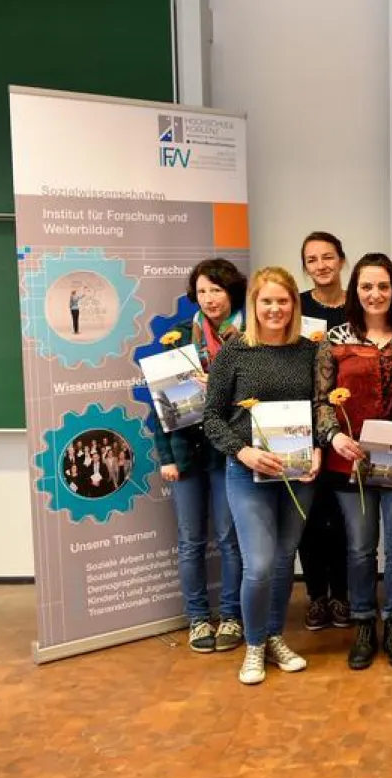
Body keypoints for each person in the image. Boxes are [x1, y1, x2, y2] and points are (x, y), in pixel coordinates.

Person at [315, 253, 392, 671]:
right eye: (367, 286)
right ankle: (364, 623)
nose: (375, 294)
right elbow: (322, 401)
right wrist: (334, 436)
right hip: (351, 465)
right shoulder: (336, 338)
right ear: (355, 291)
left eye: (383, 286)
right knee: (361, 550)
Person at [203, 266, 323, 686]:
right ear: (254, 305)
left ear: (294, 305)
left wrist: (320, 450)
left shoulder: (310, 351)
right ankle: (253, 645)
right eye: (266, 301)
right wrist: (245, 452)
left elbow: (320, 410)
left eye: (283, 300)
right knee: (259, 564)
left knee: (285, 559)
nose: (275, 308)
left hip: (298, 473)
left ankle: (274, 637)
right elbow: (211, 419)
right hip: (248, 472)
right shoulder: (234, 353)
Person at [151, 258, 247, 653]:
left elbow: (260, 397)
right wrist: (165, 458)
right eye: (203, 291)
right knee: (190, 541)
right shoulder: (178, 337)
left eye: (217, 290)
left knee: (229, 539)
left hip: (230, 452)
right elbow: (161, 404)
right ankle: (196, 620)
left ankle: (230, 617)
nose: (209, 299)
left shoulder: (248, 338)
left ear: (232, 294)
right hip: (187, 453)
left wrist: (219, 390)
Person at [297, 231, 350, 632]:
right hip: (305, 423)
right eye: (312, 260)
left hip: (349, 427)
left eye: (328, 257)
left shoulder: (362, 305)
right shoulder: (295, 308)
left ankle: (343, 596)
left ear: (341, 260)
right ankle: (316, 597)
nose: (321, 266)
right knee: (312, 518)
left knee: (348, 517)